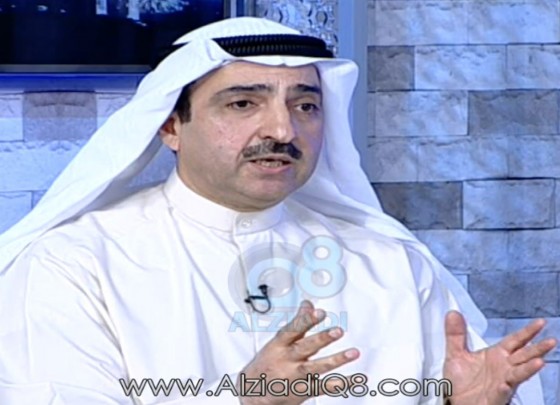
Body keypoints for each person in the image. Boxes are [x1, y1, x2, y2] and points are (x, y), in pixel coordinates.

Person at [0, 17, 555, 405]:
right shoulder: (73, 265)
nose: (283, 130)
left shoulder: (391, 262)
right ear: (170, 126)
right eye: (243, 103)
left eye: (305, 105)